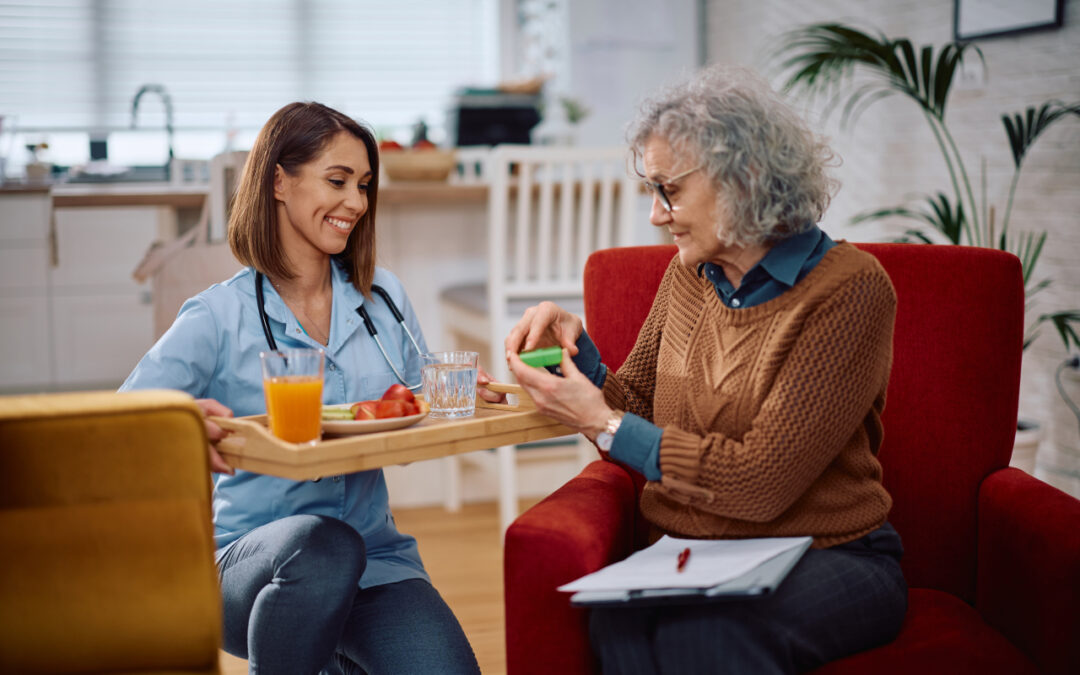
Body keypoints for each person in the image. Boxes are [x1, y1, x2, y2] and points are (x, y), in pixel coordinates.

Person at [504, 65, 907, 674]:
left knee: (706, 636)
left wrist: (604, 423)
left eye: (668, 190)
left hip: (830, 553)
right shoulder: (689, 275)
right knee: (616, 621)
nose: (655, 215)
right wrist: (578, 357)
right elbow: (637, 406)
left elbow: (761, 482)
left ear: (744, 179)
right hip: (697, 552)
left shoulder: (848, 291)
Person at [121, 101, 493, 675]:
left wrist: (463, 399)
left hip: (376, 560)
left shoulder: (383, 298)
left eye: (364, 185)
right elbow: (122, 422)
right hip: (252, 566)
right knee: (323, 549)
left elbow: (416, 406)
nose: (356, 203)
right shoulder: (218, 315)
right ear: (278, 182)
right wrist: (182, 422)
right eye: (337, 181)